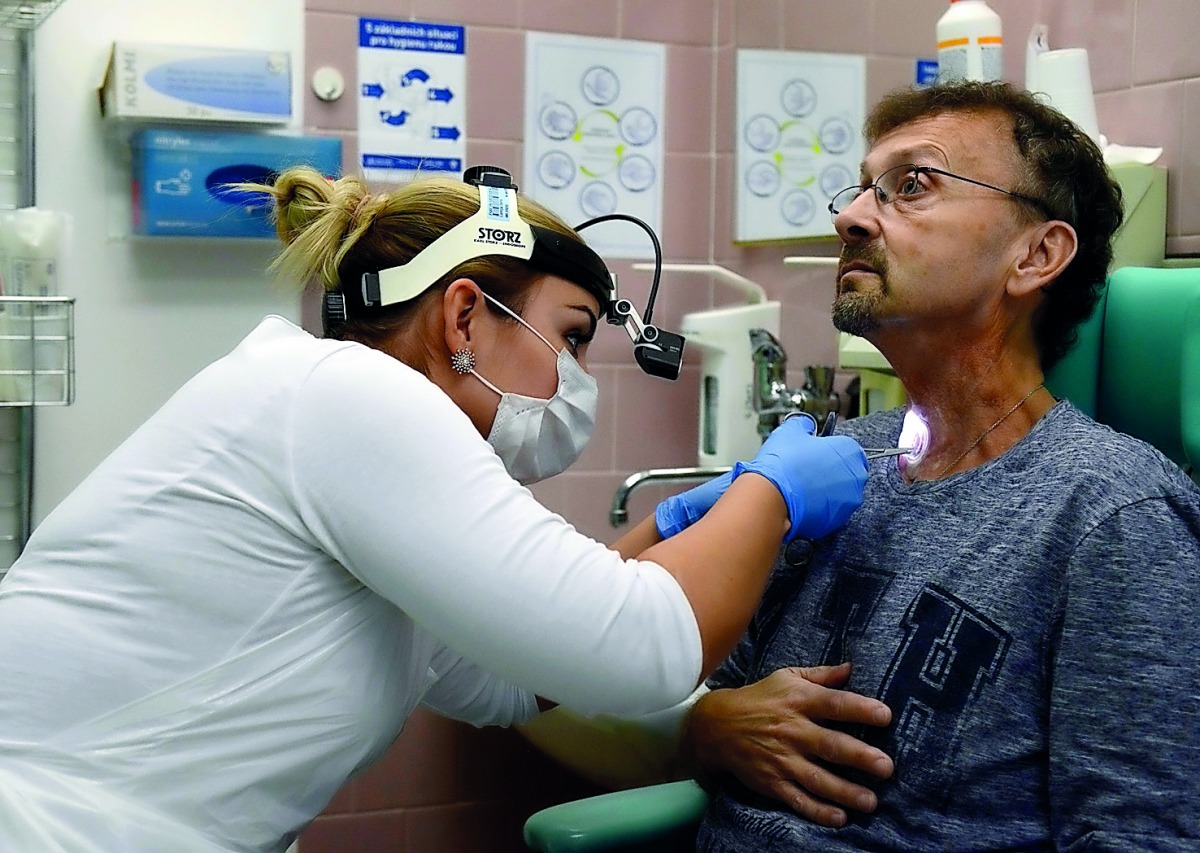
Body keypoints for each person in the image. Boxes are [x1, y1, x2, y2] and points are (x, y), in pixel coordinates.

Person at [0, 165, 870, 852]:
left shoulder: (329, 412)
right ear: (463, 316)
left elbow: (517, 677)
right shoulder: (353, 397)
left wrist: (669, 529)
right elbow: (636, 652)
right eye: (569, 337)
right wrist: (773, 492)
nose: (573, 382)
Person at [675, 81, 1200, 850]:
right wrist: (701, 727)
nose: (850, 217)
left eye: (911, 185)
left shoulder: (1114, 516)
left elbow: (1137, 835)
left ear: (1037, 253)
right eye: (859, 190)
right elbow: (717, 700)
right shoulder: (833, 468)